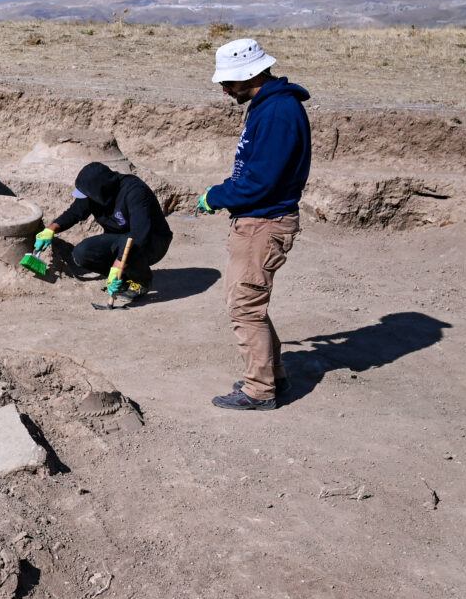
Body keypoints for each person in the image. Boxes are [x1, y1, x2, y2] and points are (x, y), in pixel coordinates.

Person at [196, 38, 311, 411]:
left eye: (229, 82)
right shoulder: (268, 106)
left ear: (252, 74)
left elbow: (261, 181)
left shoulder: (278, 113)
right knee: (248, 301)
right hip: (257, 218)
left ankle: (259, 391)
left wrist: (218, 195)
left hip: (264, 221)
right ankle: (272, 374)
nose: (225, 89)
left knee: (245, 304)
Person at [34, 161, 172, 299]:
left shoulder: (134, 192)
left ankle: (142, 282)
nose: (84, 197)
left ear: (100, 191)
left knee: (126, 245)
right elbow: (75, 212)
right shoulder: (93, 193)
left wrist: (117, 265)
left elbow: (139, 236)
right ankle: (122, 279)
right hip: (120, 239)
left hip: (152, 241)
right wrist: (51, 229)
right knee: (82, 253)